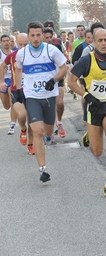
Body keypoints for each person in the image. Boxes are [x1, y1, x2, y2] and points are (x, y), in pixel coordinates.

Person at [68, 28, 106, 199]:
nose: (103, 43)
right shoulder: (86, 60)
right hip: (93, 107)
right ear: (93, 42)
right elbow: (70, 82)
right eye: (99, 40)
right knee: (97, 152)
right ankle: (88, 135)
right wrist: (86, 95)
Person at [14, 21, 67, 182]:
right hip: (32, 97)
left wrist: (55, 79)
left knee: (48, 132)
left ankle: (49, 135)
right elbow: (18, 69)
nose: (36, 39)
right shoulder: (22, 54)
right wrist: (17, 90)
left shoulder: (51, 50)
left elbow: (64, 68)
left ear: (43, 35)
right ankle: (43, 169)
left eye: (38, 35)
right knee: (37, 131)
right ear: (28, 35)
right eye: (32, 35)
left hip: (49, 95)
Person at [0, 33, 34, 154]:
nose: (23, 47)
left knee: (33, 122)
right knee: (22, 116)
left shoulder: (34, 56)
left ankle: (31, 144)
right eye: (20, 44)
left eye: (25, 44)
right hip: (16, 90)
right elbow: (2, 66)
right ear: (16, 44)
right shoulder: (12, 55)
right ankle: (23, 129)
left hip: (32, 91)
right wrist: (2, 81)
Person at [43, 28, 67, 139]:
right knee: (49, 107)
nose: (48, 40)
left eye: (50, 37)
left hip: (58, 79)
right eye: (46, 37)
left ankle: (60, 123)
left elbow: (64, 63)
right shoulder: (38, 50)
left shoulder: (56, 48)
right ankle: (50, 131)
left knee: (60, 103)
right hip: (45, 82)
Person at [0, 34, 17, 135]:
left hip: (12, 79)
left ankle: (12, 125)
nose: (7, 43)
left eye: (8, 40)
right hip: (2, 80)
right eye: (4, 41)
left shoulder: (14, 53)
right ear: (1, 43)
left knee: (12, 102)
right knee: (6, 106)